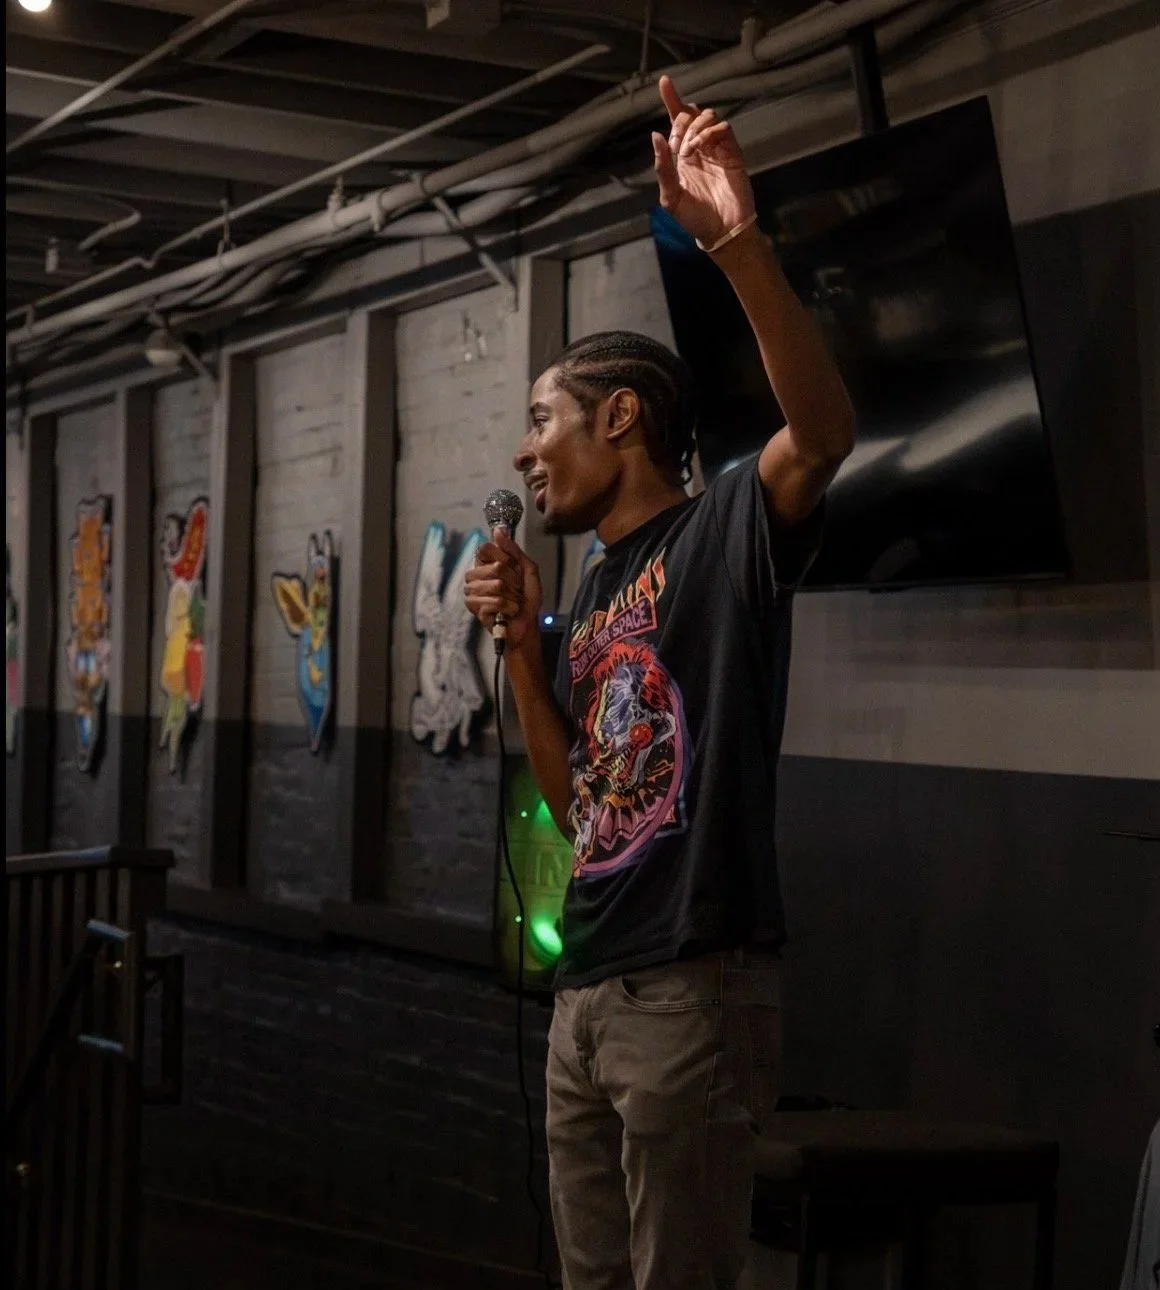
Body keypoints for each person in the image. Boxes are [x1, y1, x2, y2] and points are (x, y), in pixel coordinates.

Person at [464, 74, 855, 1290]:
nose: (527, 450)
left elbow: (826, 433)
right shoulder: (584, 597)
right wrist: (527, 653)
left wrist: (734, 247)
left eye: (546, 420)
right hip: (589, 989)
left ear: (621, 417)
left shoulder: (724, 528)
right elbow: (581, 806)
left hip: (693, 988)